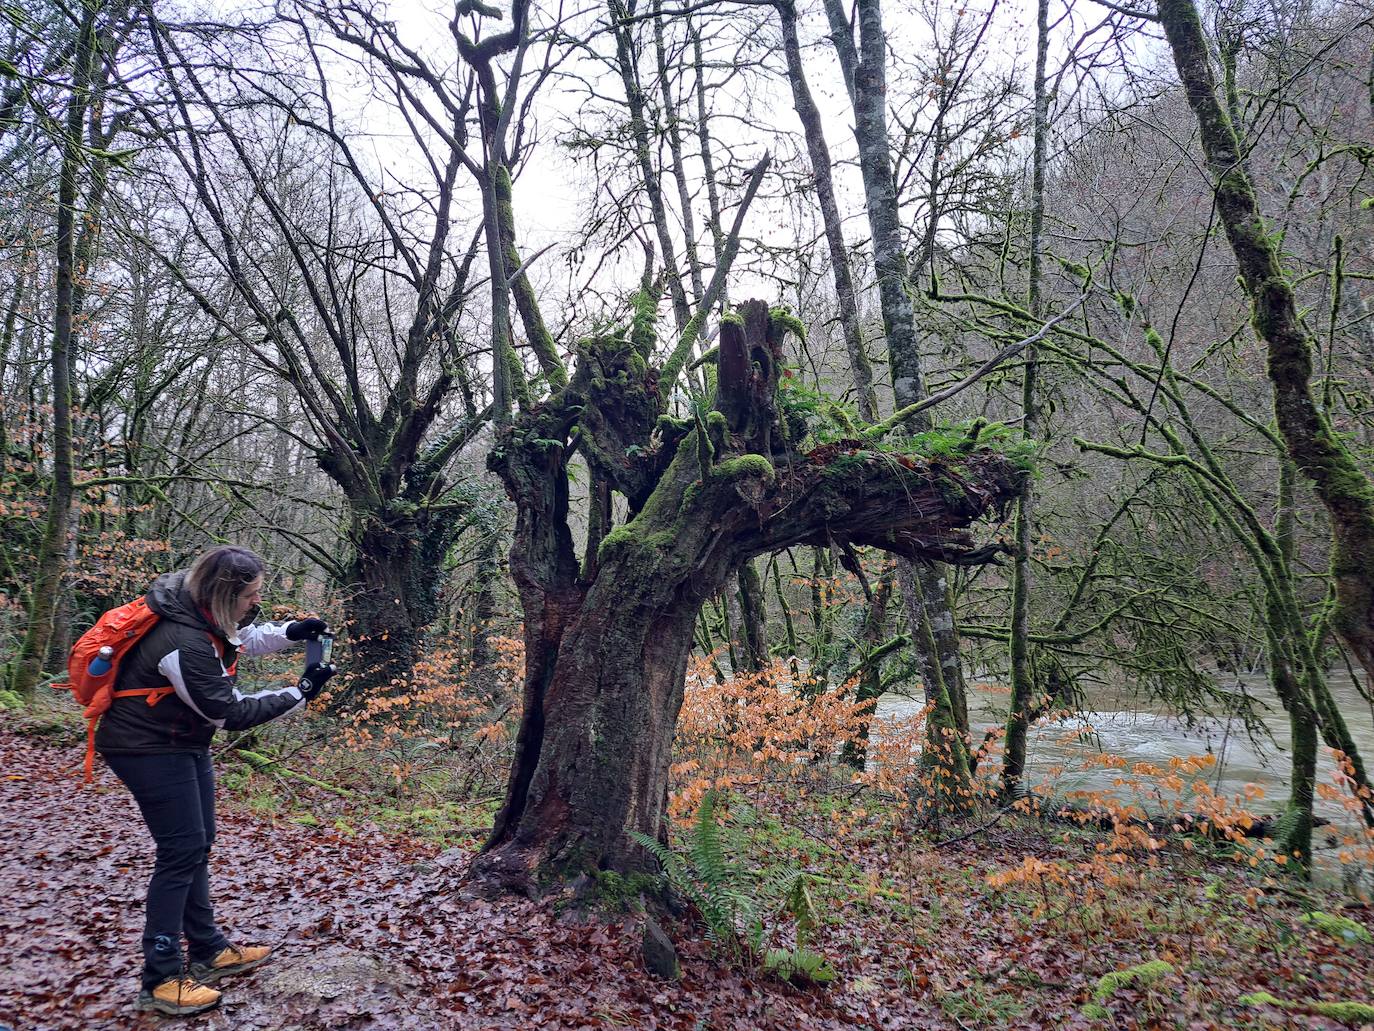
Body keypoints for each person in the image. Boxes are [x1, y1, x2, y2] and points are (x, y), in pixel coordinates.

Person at [94, 545, 336, 1016]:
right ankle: (161, 977)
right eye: (251, 596)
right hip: (146, 746)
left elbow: (241, 636)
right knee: (181, 849)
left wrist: (293, 632)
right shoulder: (183, 640)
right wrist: (301, 690)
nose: (255, 604)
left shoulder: (198, 608)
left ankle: (207, 949)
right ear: (225, 593)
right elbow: (229, 712)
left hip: (181, 739)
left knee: (198, 844)